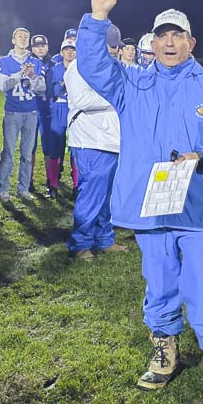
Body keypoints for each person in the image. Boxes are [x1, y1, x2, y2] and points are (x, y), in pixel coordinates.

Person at [79, 0, 203, 404]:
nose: (169, 43)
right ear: (152, 44)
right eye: (162, 36)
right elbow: (93, 66)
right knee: (158, 281)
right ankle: (164, 352)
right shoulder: (131, 83)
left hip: (197, 207)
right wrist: (98, 17)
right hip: (149, 208)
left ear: (191, 43)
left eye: (178, 35)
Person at [64, 33, 124, 259]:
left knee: (108, 196)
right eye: (109, 46)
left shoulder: (115, 68)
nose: (113, 50)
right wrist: (115, 97)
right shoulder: (78, 67)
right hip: (90, 140)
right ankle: (80, 244)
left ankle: (104, 239)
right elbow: (82, 100)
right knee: (91, 193)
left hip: (113, 141)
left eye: (115, 46)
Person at [0, 28, 45, 202]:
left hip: (31, 113)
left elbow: (42, 88)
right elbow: (3, 86)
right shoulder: (3, 61)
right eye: (20, 37)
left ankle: (23, 188)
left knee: (27, 153)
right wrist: (19, 74)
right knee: (8, 152)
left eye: (26, 37)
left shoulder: (36, 63)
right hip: (13, 112)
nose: (23, 39)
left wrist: (31, 75)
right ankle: (3, 189)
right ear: (13, 40)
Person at [46, 38, 77, 199]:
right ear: (61, 52)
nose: (70, 52)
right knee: (55, 150)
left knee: (76, 150)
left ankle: (77, 186)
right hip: (58, 110)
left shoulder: (81, 68)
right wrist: (61, 85)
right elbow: (49, 92)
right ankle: (53, 185)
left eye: (72, 49)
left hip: (75, 112)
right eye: (67, 49)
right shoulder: (55, 69)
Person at [30, 34, 54, 194]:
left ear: (47, 46)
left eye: (42, 45)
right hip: (31, 107)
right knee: (29, 147)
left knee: (48, 147)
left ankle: (50, 179)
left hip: (47, 108)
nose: (40, 48)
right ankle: (28, 179)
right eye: (37, 46)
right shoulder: (27, 63)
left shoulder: (53, 64)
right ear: (32, 48)